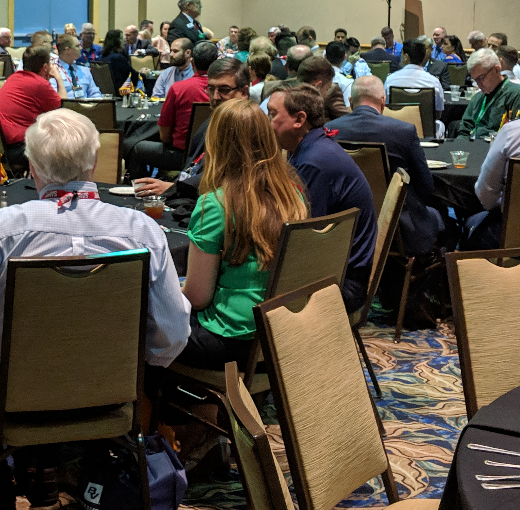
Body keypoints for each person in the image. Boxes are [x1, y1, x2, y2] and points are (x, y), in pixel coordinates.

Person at [0, 108, 191, 510]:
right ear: (93, 163)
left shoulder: (1, 229)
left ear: (32, 167)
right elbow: (174, 330)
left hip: (10, 400)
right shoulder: (141, 230)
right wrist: (146, 363)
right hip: (113, 394)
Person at [179, 98, 310, 372]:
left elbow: (197, 298)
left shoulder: (214, 205)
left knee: (146, 324)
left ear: (215, 145)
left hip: (230, 342)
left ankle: (186, 410)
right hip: (279, 338)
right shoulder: (293, 196)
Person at [267, 83, 377, 313]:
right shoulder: (311, 148)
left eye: (272, 114)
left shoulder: (314, 162)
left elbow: (302, 238)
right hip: (334, 270)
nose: (267, 123)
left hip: (342, 285)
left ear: (299, 120)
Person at [326, 76, 442, 256]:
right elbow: (425, 186)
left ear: (350, 102)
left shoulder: (329, 130)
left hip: (346, 226)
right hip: (399, 228)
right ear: (383, 101)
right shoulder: (404, 131)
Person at [133, 58, 250, 202]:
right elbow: (192, 167)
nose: (215, 97)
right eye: (211, 89)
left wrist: (173, 188)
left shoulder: (246, 126)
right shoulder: (210, 122)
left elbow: (224, 181)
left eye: (224, 90)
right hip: (187, 194)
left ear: (244, 92)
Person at [467, 92, 520, 249]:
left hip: (513, 240)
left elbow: (485, 197)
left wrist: (509, 201)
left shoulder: (513, 132)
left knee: (474, 224)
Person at [127, 41, 217, 179]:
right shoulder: (223, 91)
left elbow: (165, 136)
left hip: (181, 156)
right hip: (214, 155)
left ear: (192, 62)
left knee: (133, 147)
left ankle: (143, 192)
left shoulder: (178, 89)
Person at [0, 46, 64, 170]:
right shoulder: (40, 84)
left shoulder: (13, 77)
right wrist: (58, 78)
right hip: (19, 149)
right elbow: (65, 108)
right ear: (45, 67)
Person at [457, 48, 520, 139]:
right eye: (475, 80)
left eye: (481, 78)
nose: (479, 84)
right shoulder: (478, 98)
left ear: (496, 70)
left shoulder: (519, 97)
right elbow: (464, 131)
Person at [385, 39, 446, 137]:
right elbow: (438, 113)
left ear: (406, 56)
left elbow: (387, 108)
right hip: (426, 133)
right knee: (441, 125)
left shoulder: (391, 79)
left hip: (397, 131)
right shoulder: (433, 82)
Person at [50, 33, 102, 98]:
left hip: (86, 106)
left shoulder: (84, 69)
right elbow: (54, 96)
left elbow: (95, 92)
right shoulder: (54, 71)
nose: (80, 48)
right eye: (77, 46)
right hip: (65, 107)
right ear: (68, 50)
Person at [297, 55, 349, 119]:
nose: (325, 95)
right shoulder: (331, 91)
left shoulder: (286, 93)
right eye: (327, 89)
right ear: (318, 86)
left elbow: (344, 120)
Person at [325, 40, 353, 106]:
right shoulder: (347, 81)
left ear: (325, 57)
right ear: (345, 58)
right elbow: (348, 108)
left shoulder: (315, 75)